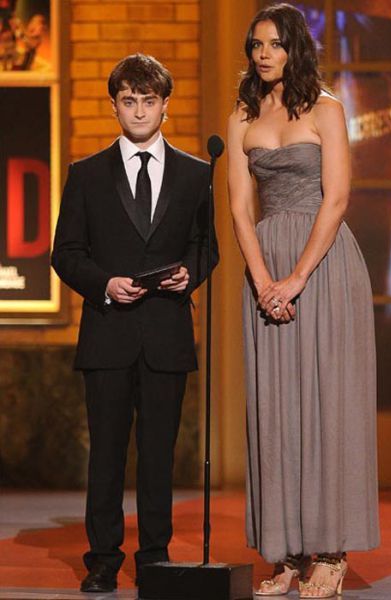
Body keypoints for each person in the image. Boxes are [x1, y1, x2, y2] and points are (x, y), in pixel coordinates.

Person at [228, 4, 379, 598]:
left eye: (274, 44)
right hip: (264, 264)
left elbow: (336, 198)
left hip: (324, 266)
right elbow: (239, 208)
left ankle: (331, 553)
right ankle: (287, 552)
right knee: (276, 408)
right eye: (255, 44)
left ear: (295, 48)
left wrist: (294, 278)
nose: (263, 54)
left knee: (327, 404)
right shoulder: (242, 114)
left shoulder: (327, 108)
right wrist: (263, 278)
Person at [52, 53, 218, 593]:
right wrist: (105, 283)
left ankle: (154, 557)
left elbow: (206, 246)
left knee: (158, 455)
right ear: (114, 106)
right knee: (105, 454)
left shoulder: (196, 174)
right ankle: (102, 559)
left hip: (167, 334)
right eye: (129, 101)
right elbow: (66, 252)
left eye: (149, 100)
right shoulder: (86, 174)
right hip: (108, 333)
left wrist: (189, 273)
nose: (140, 111)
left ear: (166, 105)